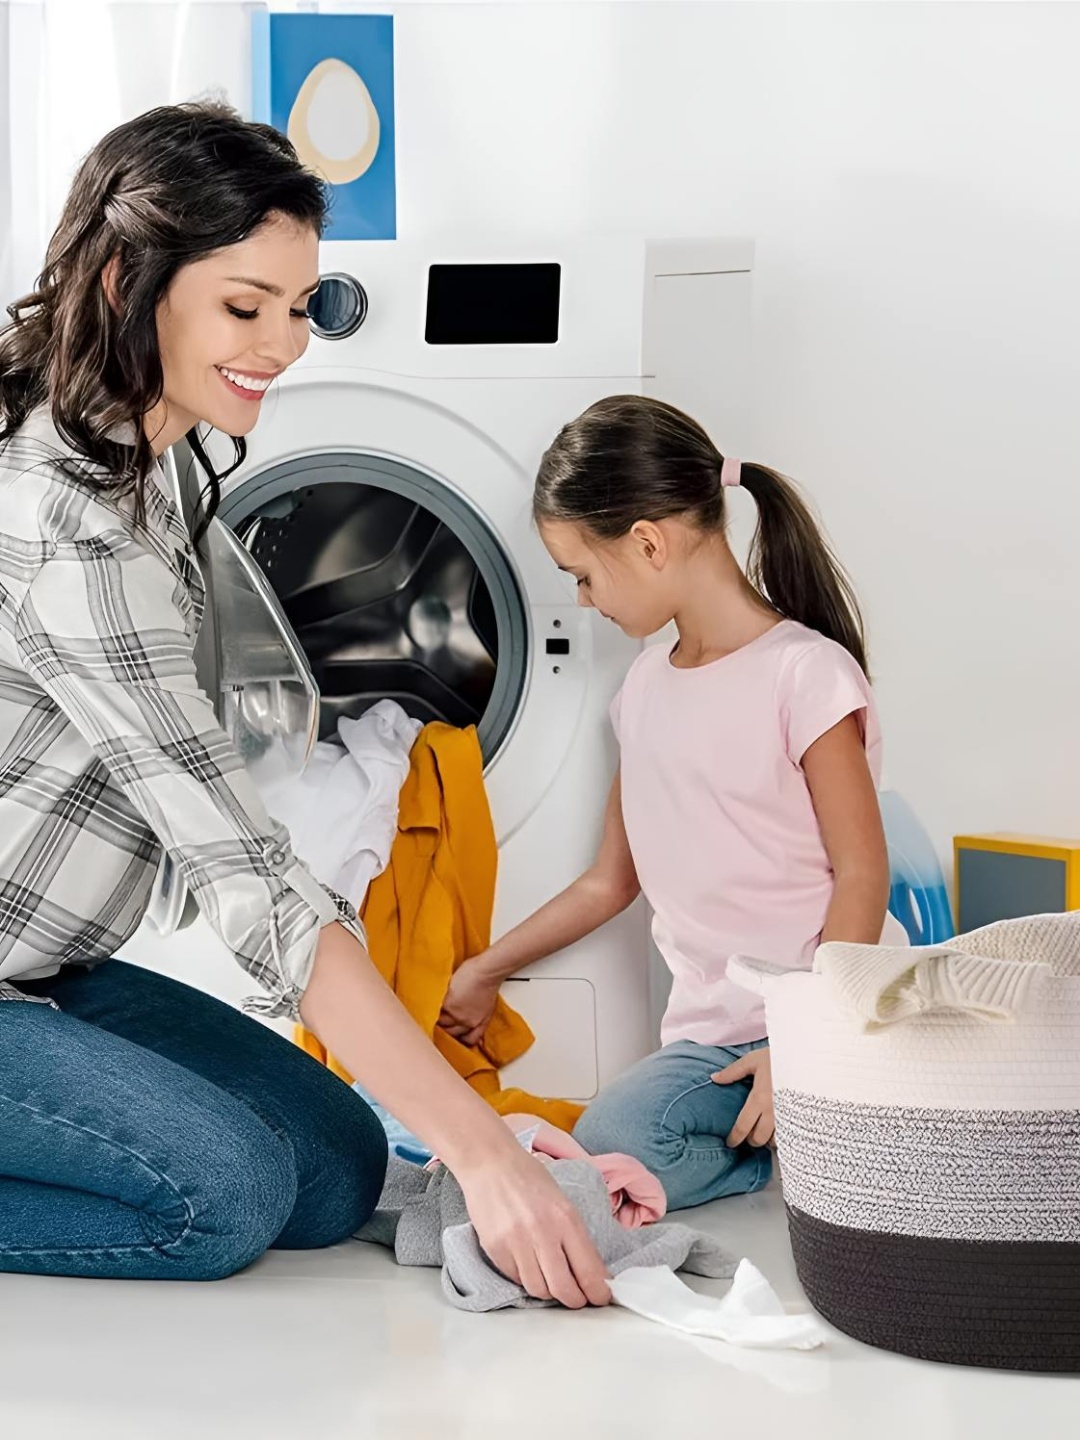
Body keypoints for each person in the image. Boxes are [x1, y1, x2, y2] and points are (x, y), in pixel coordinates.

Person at [0, 101, 609, 1305]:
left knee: (335, 1172)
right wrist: (481, 1150)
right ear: (131, 279)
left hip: (49, 967)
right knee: (221, 1199)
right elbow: (248, 875)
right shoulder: (68, 524)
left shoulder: (158, 456)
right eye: (244, 306)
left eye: (301, 307)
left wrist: (471, 1153)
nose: (282, 346)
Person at [440, 395, 891, 1210]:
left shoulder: (806, 675)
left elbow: (862, 873)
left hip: (822, 1012)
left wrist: (810, 1042)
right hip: (712, 1041)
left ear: (646, 542)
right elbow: (608, 883)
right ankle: (775, 1141)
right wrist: (482, 970)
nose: (583, 599)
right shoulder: (644, 688)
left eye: (582, 575)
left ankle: (788, 1133)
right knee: (623, 1125)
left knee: (618, 1136)